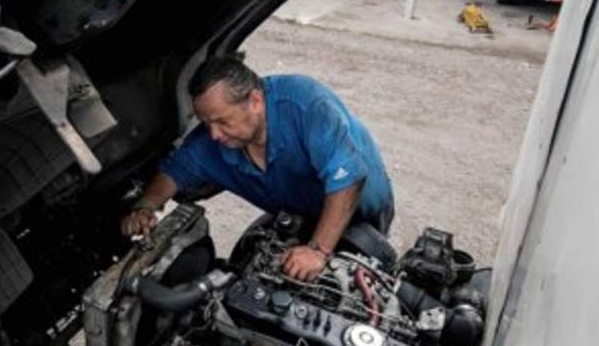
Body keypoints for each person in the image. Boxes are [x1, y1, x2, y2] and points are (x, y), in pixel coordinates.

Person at [120, 55, 394, 282]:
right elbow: (174, 172)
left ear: (255, 101)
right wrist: (145, 206)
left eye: (222, 121)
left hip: (358, 211)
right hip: (299, 217)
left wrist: (318, 250)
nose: (214, 134)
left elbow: (348, 177)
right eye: (206, 124)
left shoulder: (305, 105)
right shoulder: (211, 142)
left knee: (364, 284)